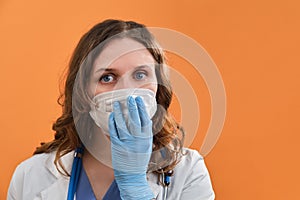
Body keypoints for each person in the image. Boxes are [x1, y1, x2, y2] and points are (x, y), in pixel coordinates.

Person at [7, 19, 215, 200]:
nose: (127, 91)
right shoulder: (30, 176)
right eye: (107, 78)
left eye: (140, 75)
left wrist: (136, 188)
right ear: (83, 93)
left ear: (159, 86)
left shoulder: (189, 172)